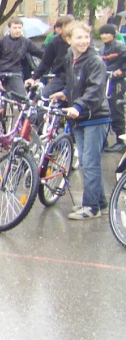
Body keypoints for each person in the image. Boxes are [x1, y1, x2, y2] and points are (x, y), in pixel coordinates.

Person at [49, 22, 110, 220]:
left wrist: (78, 106)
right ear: (68, 39)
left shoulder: (94, 61)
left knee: (90, 162)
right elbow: (75, 83)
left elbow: (95, 89)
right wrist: (65, 93)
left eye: (86, 37)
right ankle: (101, 203)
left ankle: (91, 207)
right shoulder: (71, 57)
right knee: (86, 161)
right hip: (80, 116)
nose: (84, 41)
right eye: (79, 37)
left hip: (95, 116)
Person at [0, 16, 43, 98]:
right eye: (15, 28)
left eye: (19, 28)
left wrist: (52, 55)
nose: (17, 30)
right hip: (0, 72)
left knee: (21, 98)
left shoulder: (26, 42)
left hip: (15, 73)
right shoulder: (1, 41)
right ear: (9, 29)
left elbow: (39, 53)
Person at [26, 15, 74, 97]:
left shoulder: (78, 41)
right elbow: (45, 62)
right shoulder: (54, 41)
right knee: (42, 95)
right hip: (61, 77)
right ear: (59, 29)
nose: (70, 29)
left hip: (77, 77)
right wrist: (33, 78)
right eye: (67, 26)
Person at [98, 23, 126, 153]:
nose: (104, 36)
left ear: (113, 35)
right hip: (105, 82)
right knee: (103, 109)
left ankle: (121, 141)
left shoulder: (120, 47)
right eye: (102, 33)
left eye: (107, 33)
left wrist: (121, 70)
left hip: (117, 83)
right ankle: (103, 140)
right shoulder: (101, 50)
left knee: (116, 109)